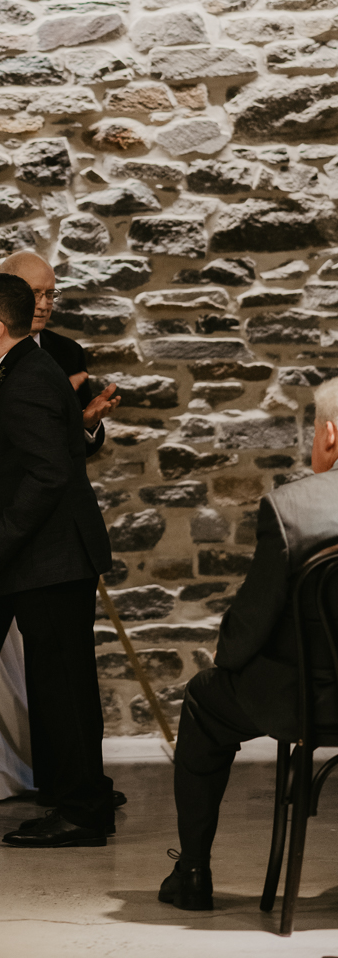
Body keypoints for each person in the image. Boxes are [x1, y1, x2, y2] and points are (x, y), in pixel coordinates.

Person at [159, 375, 338, 912]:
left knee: (204, 700)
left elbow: (254, 619)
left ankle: (192, 873)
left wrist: (229, 663)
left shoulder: (291, 509)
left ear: (329, 434)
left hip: (304, 699)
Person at [0, 274, 116, 847]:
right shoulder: (23, 371)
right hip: (53, 555)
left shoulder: (26, 381)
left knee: (62, 686)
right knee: (61, 682)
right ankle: (81, 801)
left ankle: (80, 811)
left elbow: (49, 474)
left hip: (52, 557)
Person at [0, 249, 119, 532]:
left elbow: (62, 456)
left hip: (51, 520)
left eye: (51, 294)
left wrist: (85, 424)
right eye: (35, 293)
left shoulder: (67, 352)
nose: (43, 304)